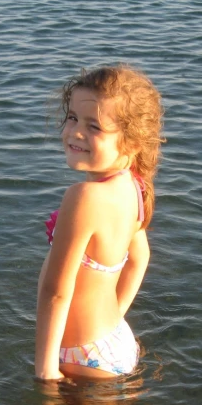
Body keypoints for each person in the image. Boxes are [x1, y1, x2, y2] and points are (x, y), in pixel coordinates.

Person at [35, 64, 164, 381]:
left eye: (95, 127)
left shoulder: (84, 197)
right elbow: (140, 259)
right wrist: (114, 320)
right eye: (73, 118)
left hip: (81, 356)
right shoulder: (135, 186)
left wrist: (45, 372)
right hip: (113, 338)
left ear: (132, 142)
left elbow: (55, 293)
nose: (76, 131)